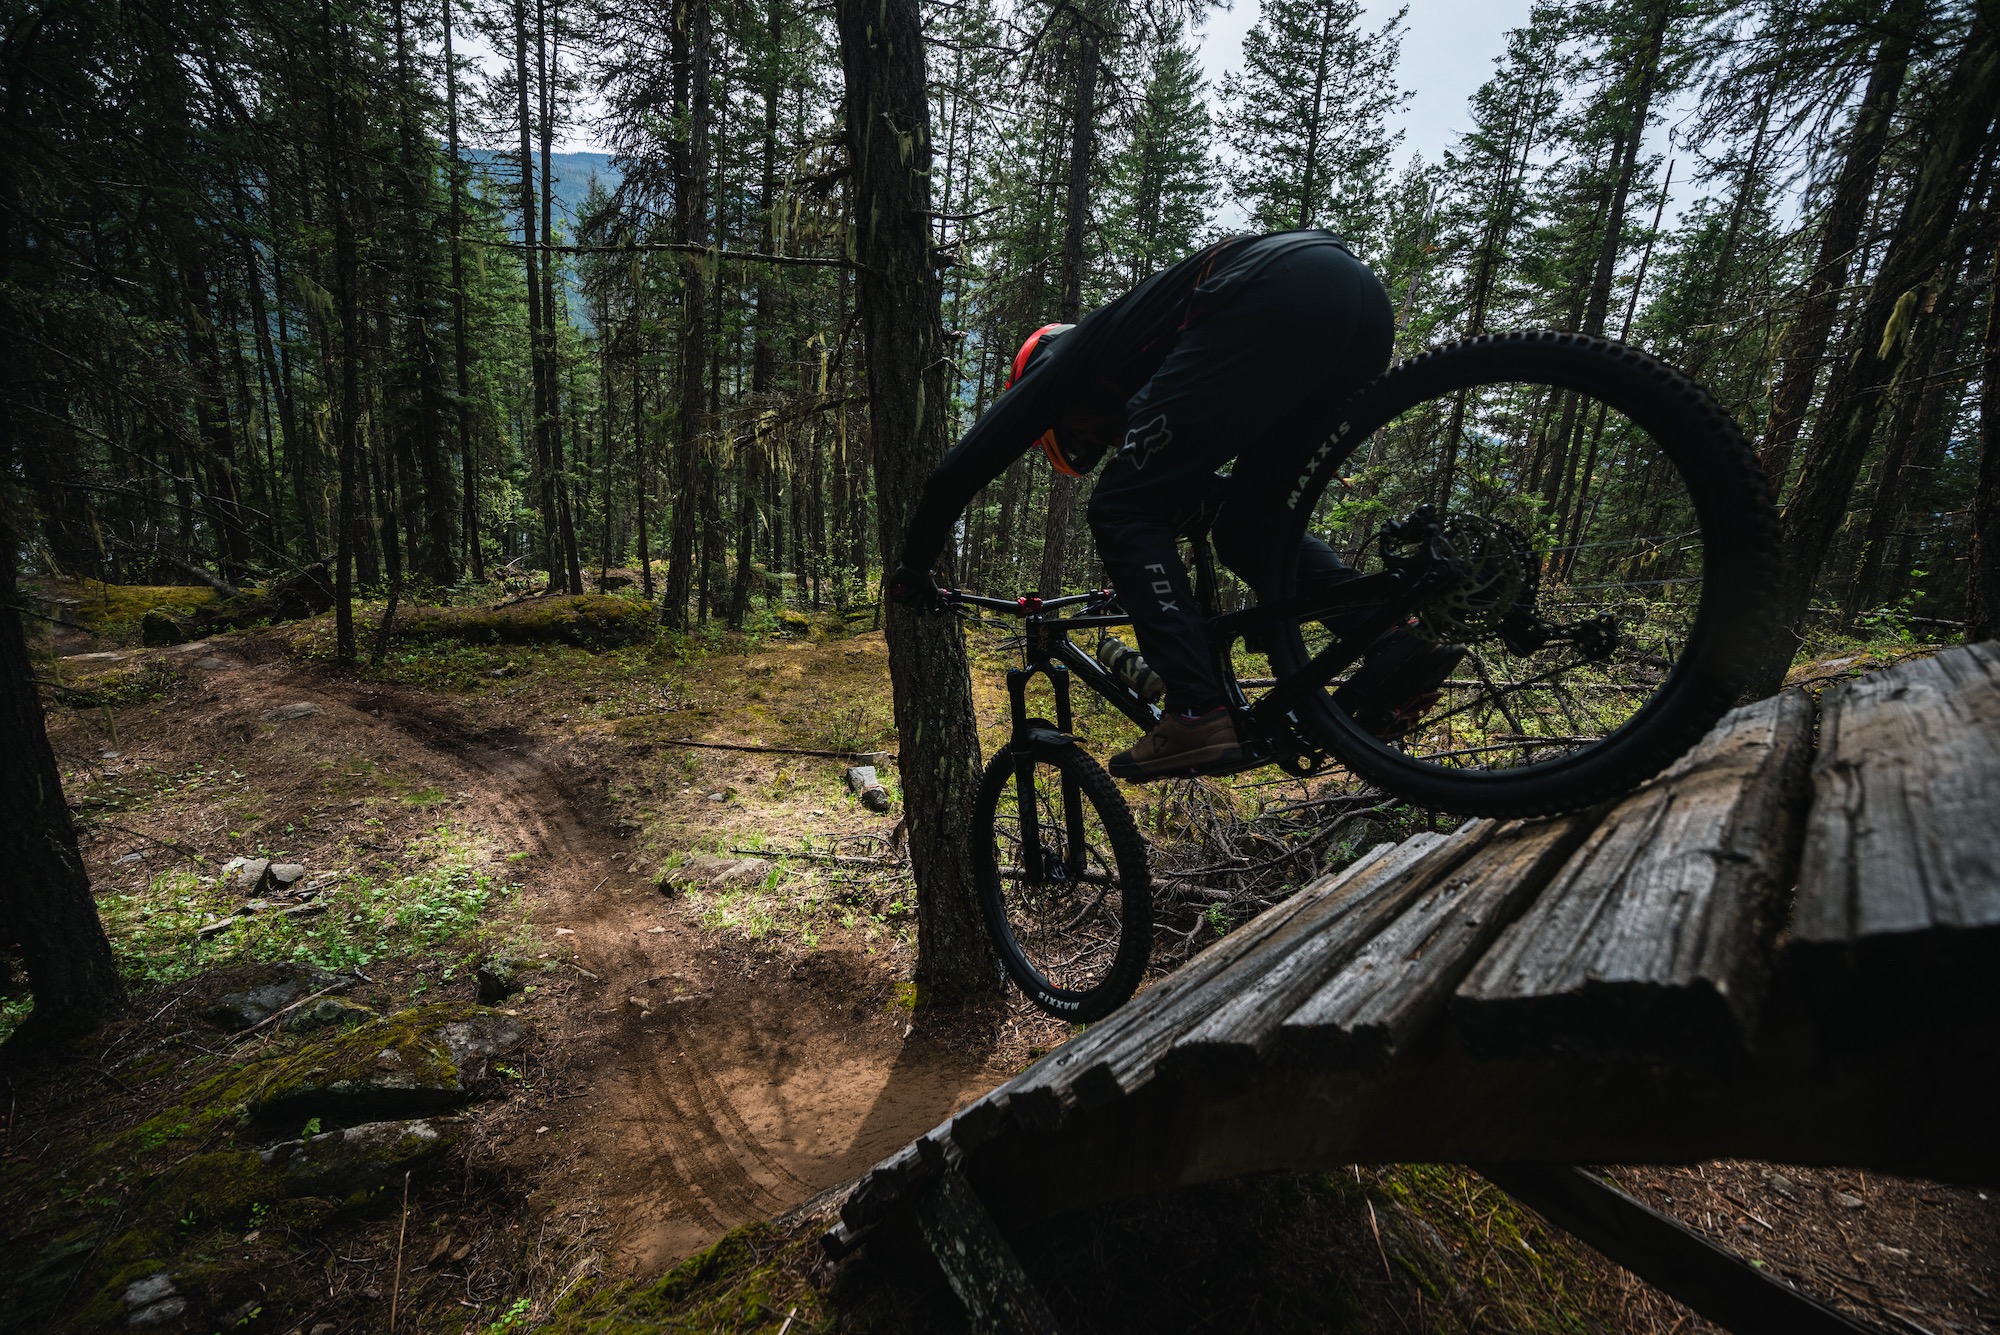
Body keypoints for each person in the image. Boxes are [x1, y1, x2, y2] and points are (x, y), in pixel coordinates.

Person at [888, 229, 1462, 780]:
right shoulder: (1146, 354)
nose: (1100, 441)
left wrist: (914, 569)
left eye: (1081, 436)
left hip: (1274, 288)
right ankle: (1391, 636)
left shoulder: (1058, 363)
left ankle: (1196, 710)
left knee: (1120, 507)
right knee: (1249, 528)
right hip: (1358, 308)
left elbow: (956, 473)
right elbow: (1204, 471)